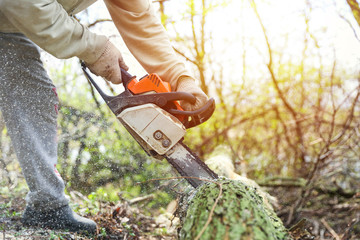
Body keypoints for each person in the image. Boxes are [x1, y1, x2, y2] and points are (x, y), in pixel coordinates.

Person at [0, 0, 208, 234]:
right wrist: (92, 47)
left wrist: (180, 78)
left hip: (11, 25)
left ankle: (47, 205)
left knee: (35, 96)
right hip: (14, 10)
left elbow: (139, 16)